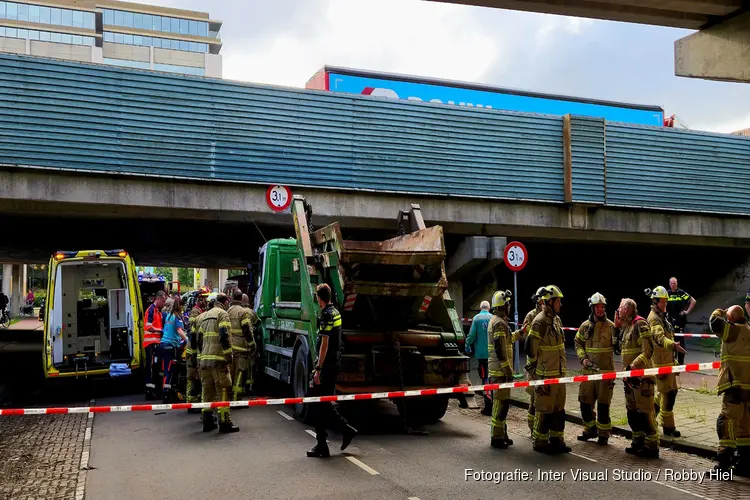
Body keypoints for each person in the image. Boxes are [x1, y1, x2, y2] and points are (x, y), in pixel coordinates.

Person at [307, 283, 357, 458]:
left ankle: (334, 436)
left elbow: (325, 343)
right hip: (334, 362)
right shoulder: (336, 312)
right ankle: (324, 443)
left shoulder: (326, 315)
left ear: (319, 298)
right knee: (323, 402)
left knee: (316, 401)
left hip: (327, 365)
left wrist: (318, 370)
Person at [526, 285, 570, 454]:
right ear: (549, 302)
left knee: (559, 409)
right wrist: (536, 375)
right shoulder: (539, 321)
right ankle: (540, 441)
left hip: (559, 374)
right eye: (558, 301)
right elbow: (531, 350)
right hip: (545, 375)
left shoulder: (556, 320)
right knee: (544, 409)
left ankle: (557, 440)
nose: (560, 304)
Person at [708, 305, 750, 475]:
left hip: (734, 387)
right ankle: (745, 465)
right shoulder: (748, 330)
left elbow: (714, 322)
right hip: (748, 389)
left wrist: (721, 311)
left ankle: (723, 467)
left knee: (725, 423)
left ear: (731, 319)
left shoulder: (731, 331)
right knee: (745, 427)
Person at [574, 293, 616, 445]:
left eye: (602, 307)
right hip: (588, 372)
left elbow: (619, 347)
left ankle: (604, 434)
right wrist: (583, 358)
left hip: (605, 373)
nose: (600, 310)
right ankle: (589, 429)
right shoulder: (585, 326)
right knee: (585, 402)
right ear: (592, 308)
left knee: (604, 405)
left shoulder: (611, 326)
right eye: (597, 307)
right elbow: (578, 343)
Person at [196, 293, 239, 433]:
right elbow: (224, 336)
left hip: (205, 360)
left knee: (207, 392)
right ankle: (224, 422)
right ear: (225, 302)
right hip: (219, 360)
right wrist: (228, 358)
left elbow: (199, 339)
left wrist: (202, 355)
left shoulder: (206, 315)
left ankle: (208, 422)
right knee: (223, 390)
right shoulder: (222, 314)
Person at [648, 286, 686, 437]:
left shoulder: (662, 315)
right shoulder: (654, 318)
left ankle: (649, 418)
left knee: (665, 393)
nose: (665, 305)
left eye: (666, 302)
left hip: (667, 361)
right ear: (655, 302)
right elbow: (659, 336)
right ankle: (668, 428)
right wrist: (672, 345)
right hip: (661, 363)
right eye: (662, 302)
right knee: (669, 393)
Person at [487, 290, 523, 448]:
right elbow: (501, 353)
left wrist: (521, 332)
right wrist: (509, 373)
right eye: (508, 304)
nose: (509, 306)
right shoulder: (499, 323)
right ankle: (496, 437)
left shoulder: (499, 321)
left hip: (498, 371)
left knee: (502, 404)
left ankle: (502, 434)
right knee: (500, 405)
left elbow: (508, 339)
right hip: (500, 372)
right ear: (503, 306)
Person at [523, 287, 546, 434]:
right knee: (533, 398)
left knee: (543, 397)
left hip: (546, 363)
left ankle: (542, 428)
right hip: (534, 362)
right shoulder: (531, 316)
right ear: (537, 300)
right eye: (542, 300)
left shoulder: (551, 316)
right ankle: (533, 428)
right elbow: (527, 341)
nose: (544, 302)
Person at [227, 289, 256, 401]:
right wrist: (252, 344)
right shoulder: (242, 312)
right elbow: (247, 330)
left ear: (233, 298)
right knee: (240, 372)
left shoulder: (227, 311)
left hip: (230, 347)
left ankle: (229, 396)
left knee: (231, 372)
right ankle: (236, 397)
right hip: (241, 348)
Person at [466, 300, 492, 415]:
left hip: (481, 355)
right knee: (492, 379)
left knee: (484, 378)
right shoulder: (493, 318)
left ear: (480, 308)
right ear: (489, 308)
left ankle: (488, 406)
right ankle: (493, 403)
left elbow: (472, 335)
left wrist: (467, 344)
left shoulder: (476, 318)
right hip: (493, 355)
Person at [185, 287, 209, 411]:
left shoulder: (203, 311)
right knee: (192, 376)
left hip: (198, 349)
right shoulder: (195, 311)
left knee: (198, 377)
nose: (207, 300)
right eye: (206, 298)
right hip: (192, 349)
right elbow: (192, 332)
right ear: (200, 299)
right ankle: (190, 402)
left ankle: (197, 401)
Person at [160, 297, 187, 403]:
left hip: (164, 344)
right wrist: (187, 340)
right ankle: (167, 394)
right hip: (170, 346)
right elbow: (180, 331)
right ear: (180, 306)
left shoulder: (169, 315)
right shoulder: (177, 317)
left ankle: (167, 392)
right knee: (170, 371)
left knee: (167, 369)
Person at [143, 291, 166, 400]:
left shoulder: (158, 311)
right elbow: (148, 327)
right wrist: (160, 330)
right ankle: (149, 391)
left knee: (155, 368)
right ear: (159, 299)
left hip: (155, 343)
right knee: (151, 367)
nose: (164, 303)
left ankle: (154, 391)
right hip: (150, 343)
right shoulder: (151, 310)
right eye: (163, 301)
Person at [241, 293, 261, 395]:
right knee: (251, 365)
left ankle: (242, 386)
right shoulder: (252, 312)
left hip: (240, 343)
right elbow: (258, 323)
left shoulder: (238, 311)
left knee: (241, 366)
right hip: (250, 342)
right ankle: (250, 386)